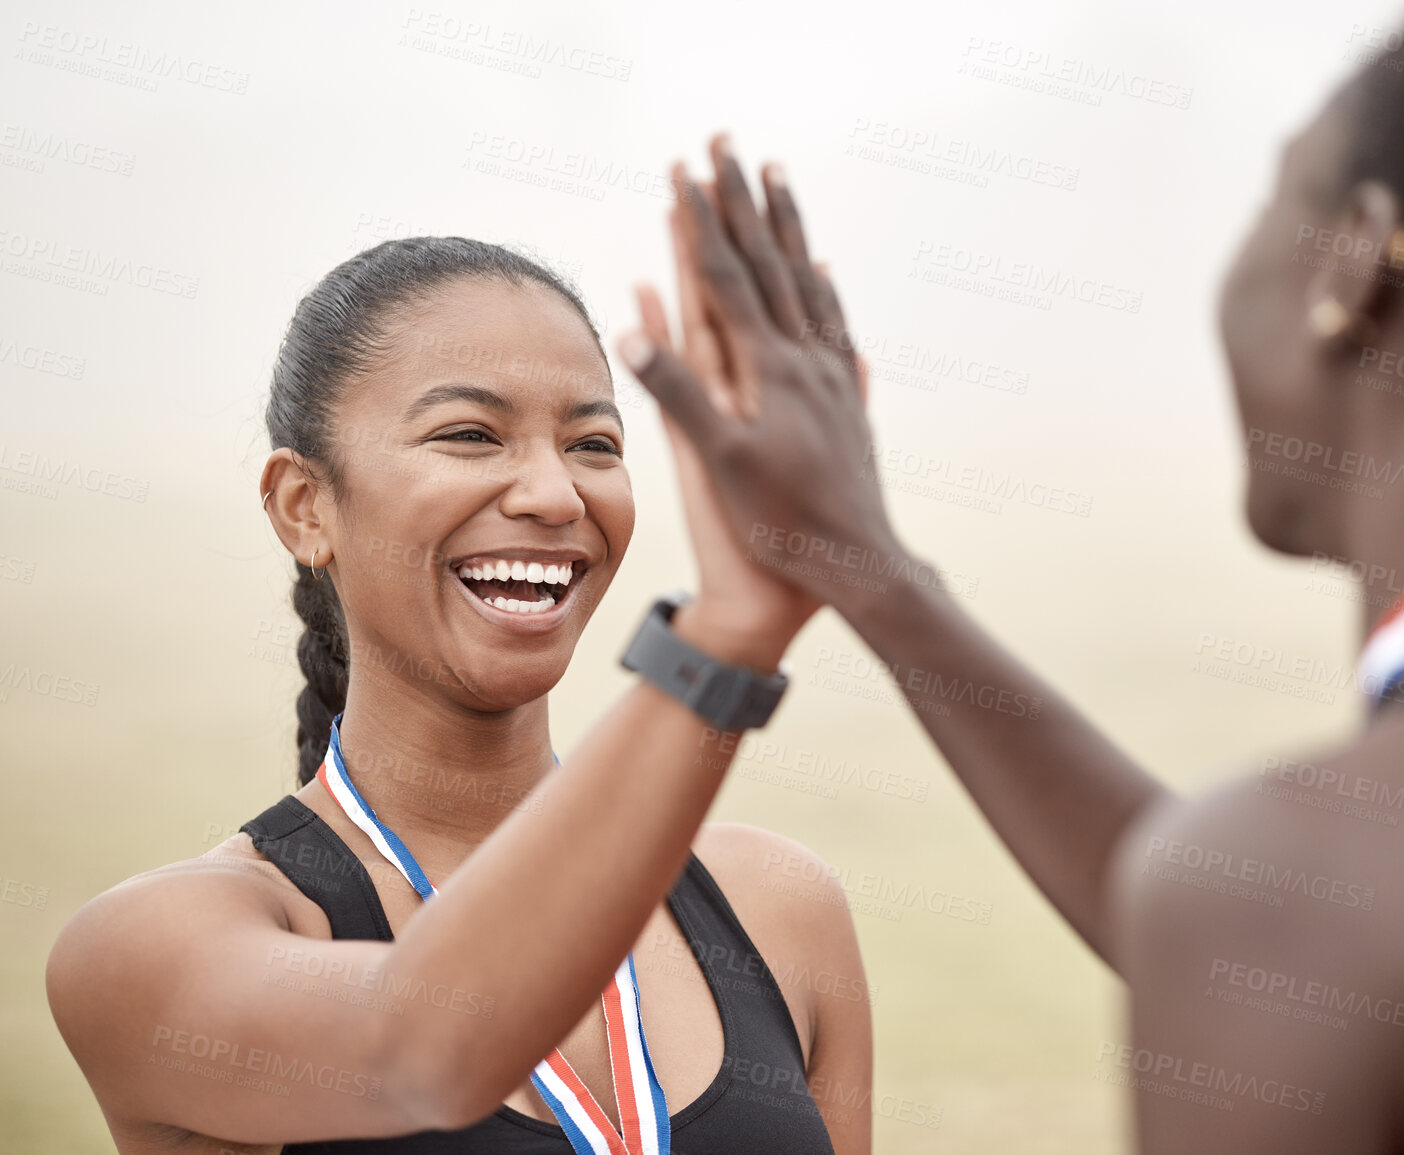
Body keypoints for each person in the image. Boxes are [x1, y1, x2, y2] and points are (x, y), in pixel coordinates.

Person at [618, 2, 1404, 1150]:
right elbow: (1313, 937)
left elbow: (1293, 925)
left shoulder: (1289, 887)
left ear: (1352, 266)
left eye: (1273, 197)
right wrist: (869, 569)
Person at [45, 237, 872, 1154]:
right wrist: (722, 642)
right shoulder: (153, 946)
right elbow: (427, 1049)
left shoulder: (774, 904)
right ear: (304, 506)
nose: (557, 493)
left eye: (593, 444)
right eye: (470, 435)